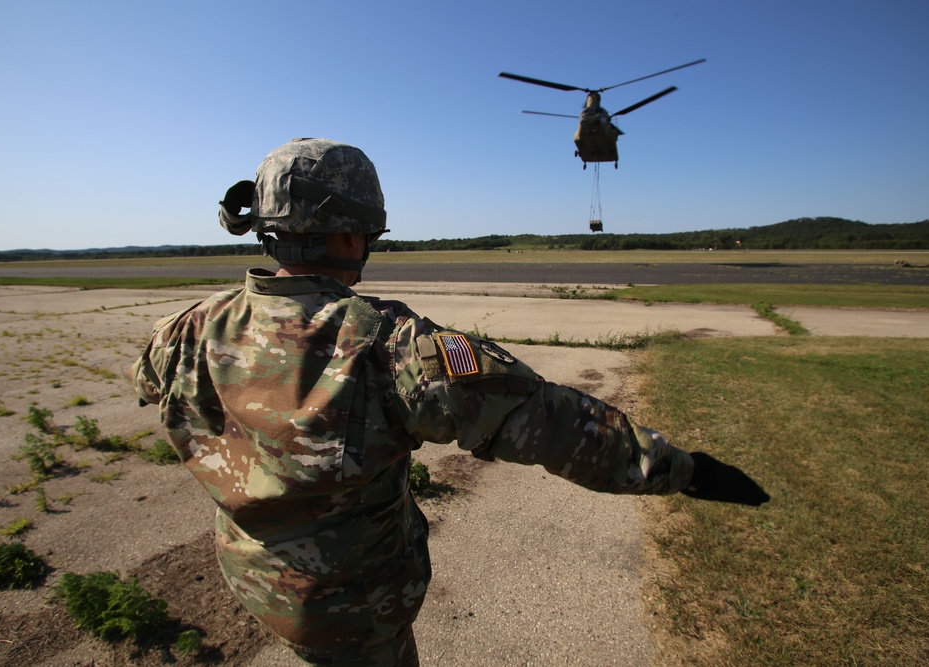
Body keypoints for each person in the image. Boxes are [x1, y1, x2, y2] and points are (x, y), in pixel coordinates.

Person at [129, 137, 768, 666]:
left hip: (253, 582)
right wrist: (683, 469)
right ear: (352, 233)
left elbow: (154, 388)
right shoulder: (390, 344)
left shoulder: (185, 328)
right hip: (357, 613)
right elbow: (550, 422)